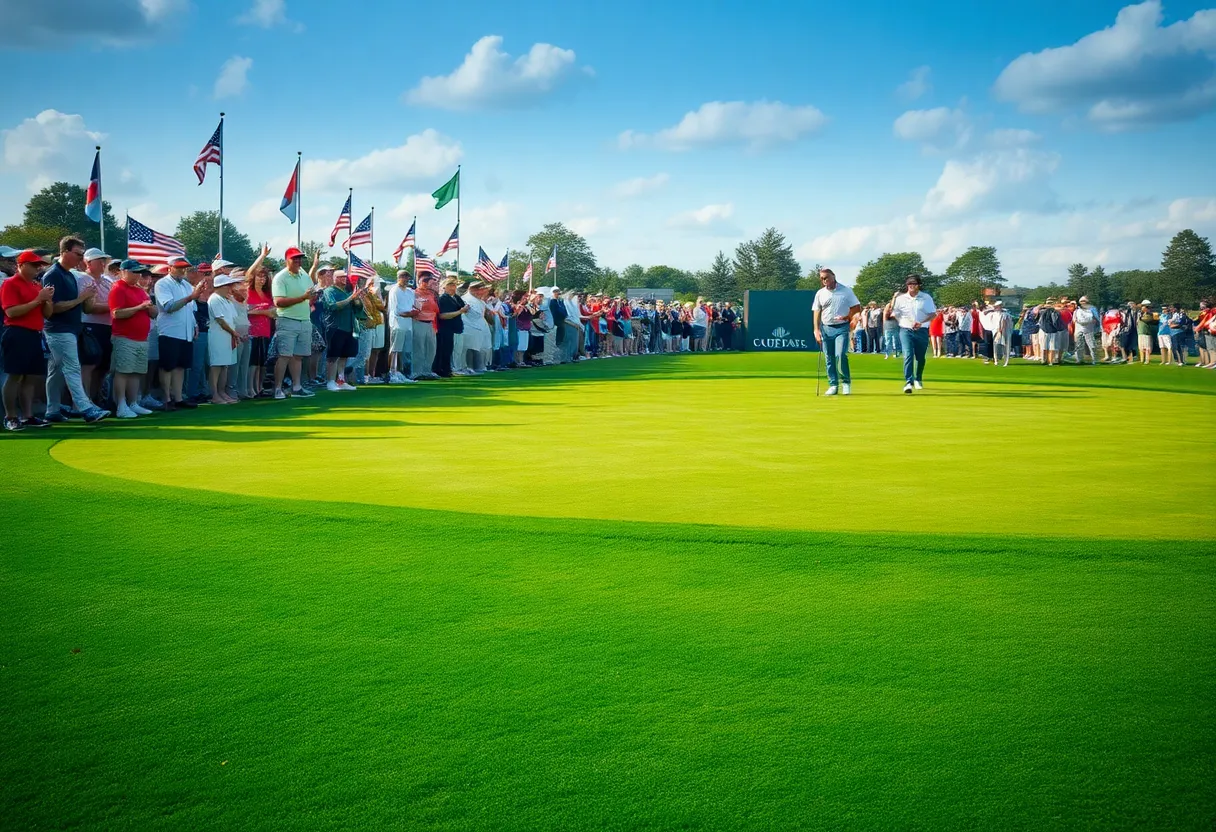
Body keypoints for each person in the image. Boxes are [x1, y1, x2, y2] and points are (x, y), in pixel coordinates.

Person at [42, 236, 110, 423]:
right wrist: (82, 298)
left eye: (82, 254)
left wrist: (89, 297)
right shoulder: (53, 274)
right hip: (58, 329)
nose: (81, 258)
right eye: (77, 254)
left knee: (55, 371)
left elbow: (85, 308)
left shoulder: (70, 275)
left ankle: (52, 410)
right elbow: (54, 308)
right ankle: (85, 408)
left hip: (70, 328)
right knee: (72, 368)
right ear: (64, 252)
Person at [2, 250, 55, 430]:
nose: (38, 268)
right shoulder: (10, 284)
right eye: (34, 265)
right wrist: (38, 299)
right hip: (16, 333)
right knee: (15, 375)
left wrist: (47, 301)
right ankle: (10, 416)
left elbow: (47, 314)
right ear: (21, 265)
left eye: (39, 265)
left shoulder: (35, 286)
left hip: (35, 334)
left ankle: (28, 416)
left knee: (31, 377)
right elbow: (11, 312)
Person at [108, 260, 156, 418]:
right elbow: (116, 314)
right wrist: (139, 308)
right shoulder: (118, 288)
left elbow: (154, 313)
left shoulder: (140, 290)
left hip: (141, 338)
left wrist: (150, 307)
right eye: (134, 272)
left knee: (136, 372)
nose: (138, 275)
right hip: (124, 337)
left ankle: (133, 403)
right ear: (123, 271)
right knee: (123, 372)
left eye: (139, 272)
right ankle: (121, 405)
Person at [271, 247, 321, 399]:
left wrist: (312, 297)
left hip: (304, 320)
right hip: (287, 320)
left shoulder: (304, 275)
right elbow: (278, 302)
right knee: (284, 355)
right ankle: (278, 389)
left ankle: (297, 387)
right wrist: (303, 298)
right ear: (287, 260)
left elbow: (309, 294)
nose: (298, 261)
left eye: (299, 258)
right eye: (295, 258)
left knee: (298, 356)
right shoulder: (280, 278)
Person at [812, 268, 861, 396]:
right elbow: (817, 311)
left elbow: (856, 308)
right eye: (822, 278)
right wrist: (816, 330)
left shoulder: (846, 291)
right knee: (829, 357)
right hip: (826, 328)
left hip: (842, 328)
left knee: (840, 355)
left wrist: (849, 318)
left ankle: (846, 383)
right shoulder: (820, 293)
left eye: (826, 277)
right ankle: (833, 384)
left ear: (833, 276)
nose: (824, 280)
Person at [76, 248, 114, 406]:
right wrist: (114, 306)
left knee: (103, 367)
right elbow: (89, 307)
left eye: (104, 261)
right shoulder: (82, 279)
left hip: (107, 326)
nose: (103, 264)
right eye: (99, 260)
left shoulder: (107, 281)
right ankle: (84, 400)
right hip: (89, 326)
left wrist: (112, 306)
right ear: (88, 263)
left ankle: (96, 400)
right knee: (89, 364)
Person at [890, 273, 936, 393]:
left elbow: (933, 314)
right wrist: (903, 321)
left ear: (919, 285)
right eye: (909, 283)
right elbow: (895, 314)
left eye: (914, 284)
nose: (911, 286)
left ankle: (918, 378)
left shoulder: (926, 297)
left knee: (920, 357)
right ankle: (908, 382)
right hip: (906, 329)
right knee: (908, 354)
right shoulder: (900, 299)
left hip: (922, 330)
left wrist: (921, 322)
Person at [321, 269, 363, 392]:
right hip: (335, 327)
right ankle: (330, 381)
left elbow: (357, 308)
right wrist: (351, 298)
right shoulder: (329, 291)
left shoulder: (346, 292)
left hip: (349, 327)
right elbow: (333, 306)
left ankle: (341, 380)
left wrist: (357, 300)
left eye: (344, 277)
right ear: (334, 279)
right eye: (340, 277)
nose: (343, 279)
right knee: (333, 356)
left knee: (344, 356)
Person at [206, 272, 242, 405]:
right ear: (220, 286)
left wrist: (234, 333)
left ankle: (222, 392)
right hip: (218, 336)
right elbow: (220, 321)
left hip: (228, 336)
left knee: (225, 366)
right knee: (216, 366)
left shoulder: (227, 300)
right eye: (227, 285)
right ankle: (214, 394)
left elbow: (232, 319)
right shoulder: (214, 299)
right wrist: (234, 333)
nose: (230, 287)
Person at [433, 277, 469, 378]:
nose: (453, 288)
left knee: (450, 349)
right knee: (444, 350)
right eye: (451, 285)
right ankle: (442, 370)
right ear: (445, 286)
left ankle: (448, 369)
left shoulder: (455, 298)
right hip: (445, 327)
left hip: (455, 327)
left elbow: (464, 306)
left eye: (454, 285)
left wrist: (464, 309)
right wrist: (460, 311)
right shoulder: (443, 299)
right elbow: (443, 315)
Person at [387, 270, 416, 383]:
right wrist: (409, 314)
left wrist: (414, 312)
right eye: (403, 277)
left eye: (407, 277)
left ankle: (404, 374)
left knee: (407, 350)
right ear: (398, 277)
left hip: (408, 324)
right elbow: (396, 310)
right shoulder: (394, 290)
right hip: (397, 323)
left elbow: (413, 305)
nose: (406, 279)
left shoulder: (410, 292)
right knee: (395, 349)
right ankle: (392, 373)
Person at [410, 274, 440, 380]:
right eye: (431, 283)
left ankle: (427, 371)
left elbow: (436, 310)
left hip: (430, 323)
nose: (433, 286)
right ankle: (416, 372)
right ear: (423, 283)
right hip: (418, 322)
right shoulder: (414, 293)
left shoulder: (432, 295)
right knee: (419, 348)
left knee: (431, 348)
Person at [1071, 296, 1099, 365]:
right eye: (1081, 301)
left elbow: (1095, 319)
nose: (1083, 303)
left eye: (1084, 301)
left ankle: (1095, 360)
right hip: (1079, 330)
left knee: (1092, 346)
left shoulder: (1092, 310)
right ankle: (1079, 360)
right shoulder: (1077, 311)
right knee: (1079, 346)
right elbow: (1075, 320)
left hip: (1089, 330)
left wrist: (1093, 323)